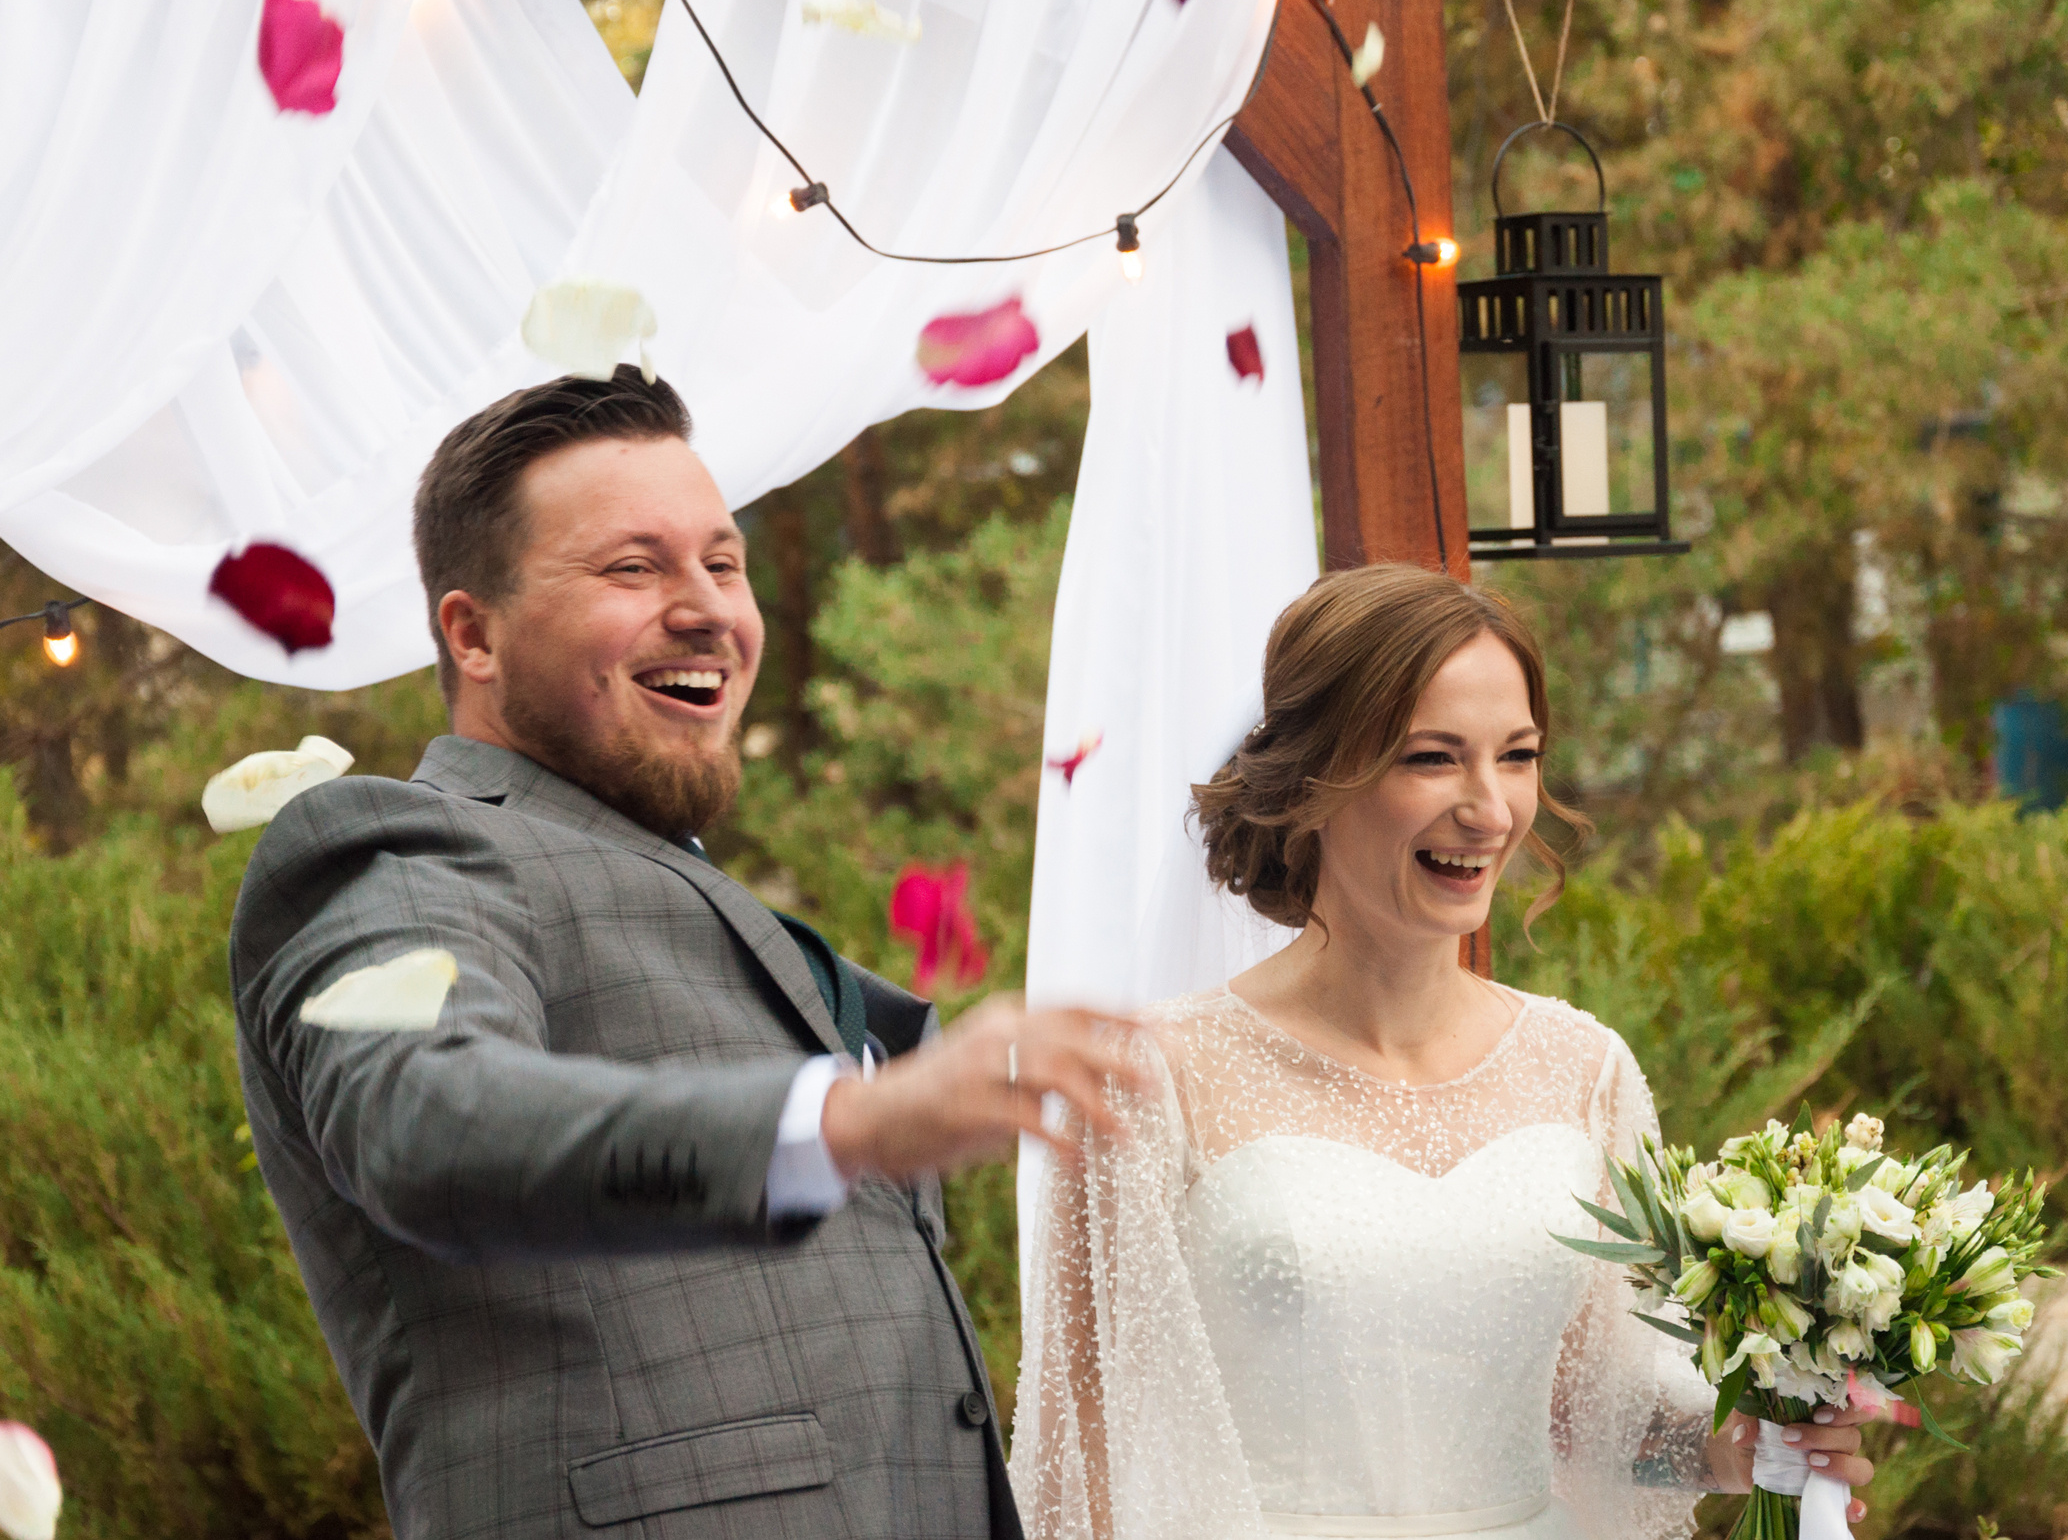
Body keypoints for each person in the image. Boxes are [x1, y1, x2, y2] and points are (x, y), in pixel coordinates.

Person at [229, 366, 1143, 1540]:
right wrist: (848, 1121)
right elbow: (429, 1115)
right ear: (476, 632)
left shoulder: (689, 886)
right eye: (633, 566)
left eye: (724, 561)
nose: (709, 606)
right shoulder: (396, 847)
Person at [1010, 564, 1879, 1540]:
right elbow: (1080, 1454)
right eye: (1431, 757)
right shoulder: (1148, 1077)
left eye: (1517, 756)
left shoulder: (1584, 1071)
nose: (1491, 808)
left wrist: (1749, 1442)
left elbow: (1597, 1416)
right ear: (1313, 775)